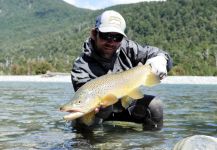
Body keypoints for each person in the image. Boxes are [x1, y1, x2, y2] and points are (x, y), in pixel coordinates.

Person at [71, 10, 173, 130]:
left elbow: (157, 53)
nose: (111, 41)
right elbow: (83, 96)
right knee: (82, 118)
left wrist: (162, 59)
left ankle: (150, 144)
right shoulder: (81, 65)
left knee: (156, 105)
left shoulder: (129, 48)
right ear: (94, 34)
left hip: (127, 106)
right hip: (100, 112)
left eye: (117, 37)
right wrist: (100, 106)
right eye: (106, 35)